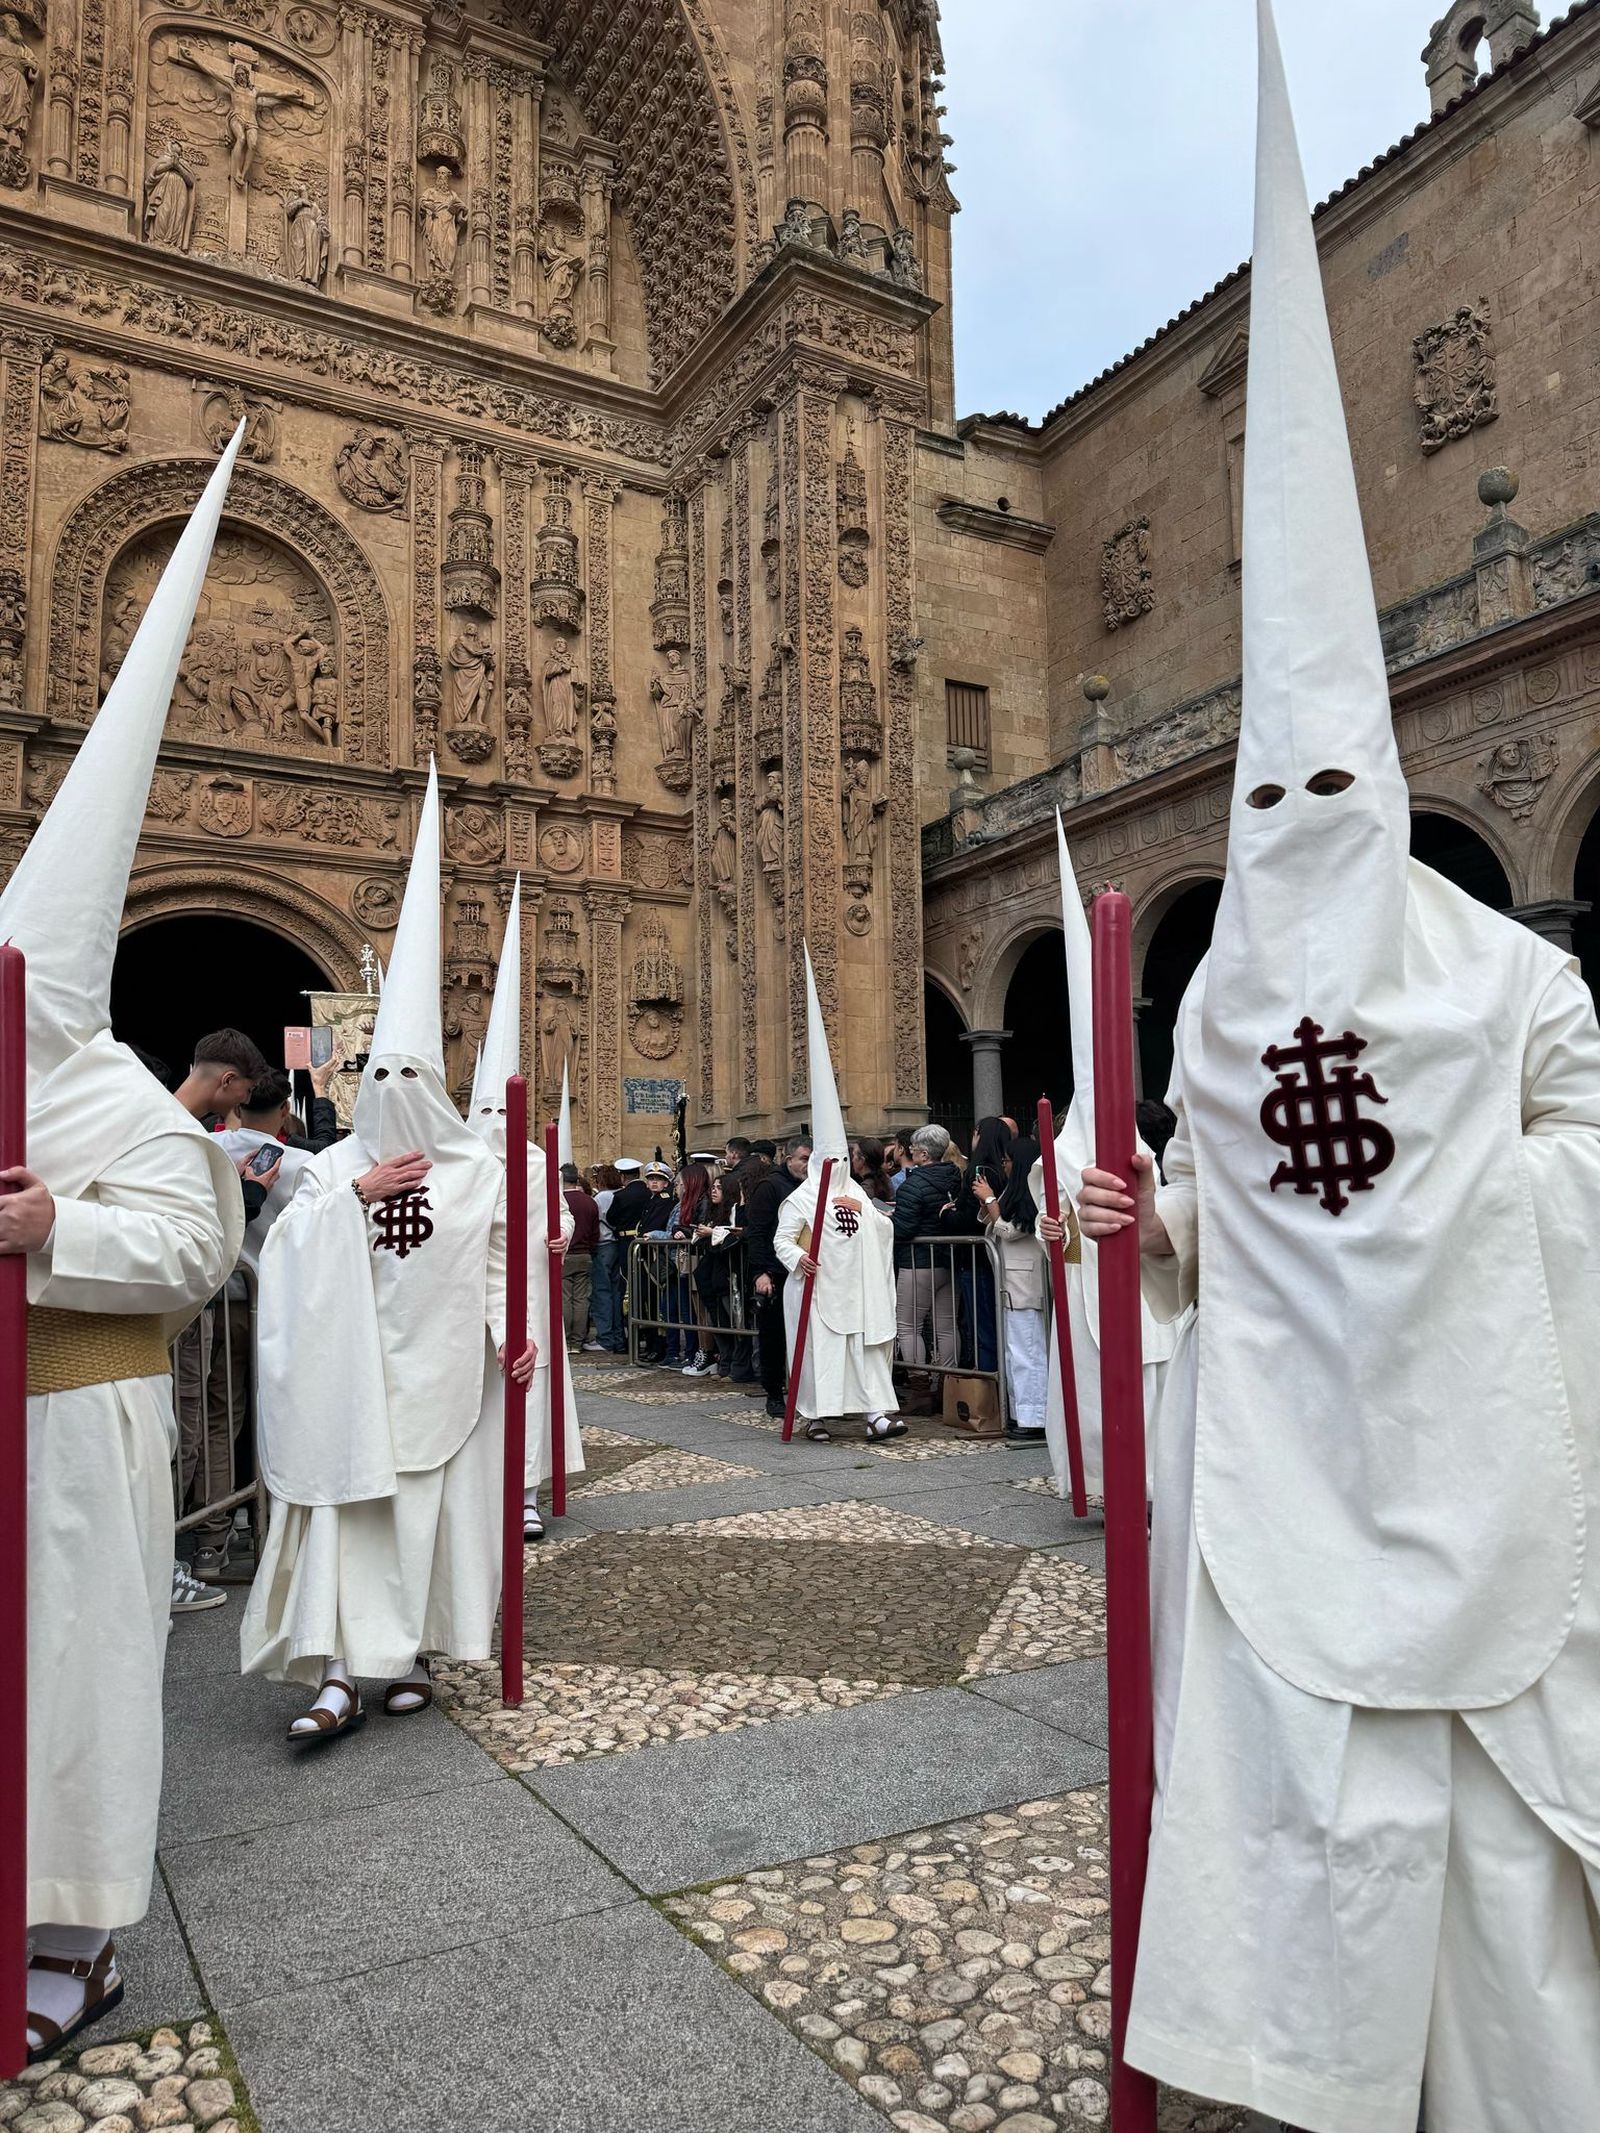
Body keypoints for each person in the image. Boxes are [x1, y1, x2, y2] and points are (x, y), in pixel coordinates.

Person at [1083, 11, 1600, 2129]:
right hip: (1289, 1465)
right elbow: (1229, 1207)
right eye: (1265, 793)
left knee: (1485, 1853)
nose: (1297, 812)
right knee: (1314, 1801)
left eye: (1330, 783)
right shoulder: (1210, 1008)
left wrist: (1467, 1224)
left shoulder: (1504, 966)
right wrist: (1151, 1221)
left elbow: (1571, 1144)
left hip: (1486, 1449)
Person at [0, 431, 246, 2061]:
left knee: (75, 1676)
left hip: (78, 1428)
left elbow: (191, 1252)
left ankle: (73, 1928)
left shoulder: (129, 1111)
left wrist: (49, 1224)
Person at [242, 762, 519, 1738]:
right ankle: (332, 1676)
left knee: (422, 1524)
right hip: (351, 1375)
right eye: (383, 1072)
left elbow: (497, 1264)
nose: (399, 1086)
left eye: (415, 1071)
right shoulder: (328, 1172)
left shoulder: (479, 1171)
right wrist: (352, 1196)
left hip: (440, 1369)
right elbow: (280, 1258)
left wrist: (508, 1333)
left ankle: (406, 1659)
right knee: (348, 1519)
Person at [463, 876, 579, 1544]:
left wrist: (558, 1238)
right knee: (478, 1394)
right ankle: (480, 1486)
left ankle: (526, 1489)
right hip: (469, 1287)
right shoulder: (459, 1161)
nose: (494, 1122)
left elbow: (552, 1218)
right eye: (486, 1110)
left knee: (527, 1389)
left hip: (528, 1288)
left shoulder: (536, 1161)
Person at [774, 946, 901, 1444]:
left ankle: (875, 1413)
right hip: (819, 1288)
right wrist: (797, 1259)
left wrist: (872, 1221)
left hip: (859, 1290)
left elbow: (882, 1226)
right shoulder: (801, 1199)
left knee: (863, 1353)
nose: (839, 1169)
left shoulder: (858, 1193)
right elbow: (784, 1239)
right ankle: (818, 1415)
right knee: (819, 1354)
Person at [971, 1134, 1047, 1442]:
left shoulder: (1033, 1194)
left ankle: (1035, 1415)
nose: (1004, 1165)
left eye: (1007, 1160)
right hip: (1012, 1284)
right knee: (1016, 1352)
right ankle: (1022, 1413)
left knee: (1028, 1351)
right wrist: (991, 1200)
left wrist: (990, 1199)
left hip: (1026, 1286)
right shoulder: (1013, 1191)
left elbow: (1011, 1231)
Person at [891, 1123, 963, 1402]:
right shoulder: (956, 1177)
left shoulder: (913, 1184)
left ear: (922, 1154)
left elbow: (904, 1229)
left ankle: (920, 1389)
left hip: (918, 1261)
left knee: (908, 1325)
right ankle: (949, 1386)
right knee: (947, 1325)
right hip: (951, 1258)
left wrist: (884, 1222)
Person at [744, 1136, 809, 1416]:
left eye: (811, 1160)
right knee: (774, 1336)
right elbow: (757, 1233)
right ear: (789, 1159)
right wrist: (761, 1272)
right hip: (777, 1272)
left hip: (805, 1270)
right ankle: (774, 1393)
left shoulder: (814, 1187)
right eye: (804, 1159)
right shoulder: (770, 1187)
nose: (808, 1165)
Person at [173, 1026, 269, 1129]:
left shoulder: (159, 1113)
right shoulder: (182, 1133)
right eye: (249, 1090)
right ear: (228, 1080)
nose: (247, 1100)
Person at [588, 1161, 626, 1353]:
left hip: (603, 1245)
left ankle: (605, 1337)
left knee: (602, 1293)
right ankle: (618, 1336)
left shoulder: (601, 1197)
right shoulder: (620, 1194)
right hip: (617, 1244)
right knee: (616, 1292)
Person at [561, 1164, 599, 1352]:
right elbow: (595, 1232)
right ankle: (578, 1340)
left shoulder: (558, 1201)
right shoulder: (589, 1201)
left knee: (565, 1298)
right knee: (582, 1299)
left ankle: (566, 1339)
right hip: (584, 1254)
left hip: (565, 1254)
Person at [850, 1137, 895, 1206]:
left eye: (854, 1155)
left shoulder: (865, 1190)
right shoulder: (886, 1179)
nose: (852, 1160)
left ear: (862, 1160)